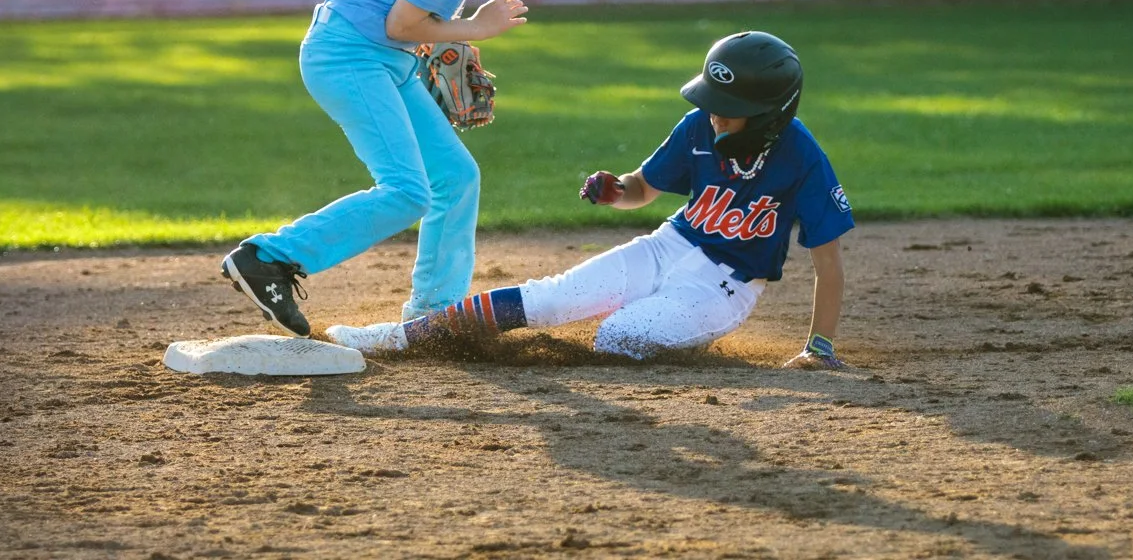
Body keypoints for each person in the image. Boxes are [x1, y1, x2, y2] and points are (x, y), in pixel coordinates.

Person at [220, 0, 575, 337]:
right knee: (408, 190)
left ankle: (434, 314)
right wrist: (474, 29)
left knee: (454, 179)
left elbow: (398, 9)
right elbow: (403, 20)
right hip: (350, 56)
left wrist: (436, 39)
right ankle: (269, 257)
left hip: (380, 55)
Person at [325, 31, 854, 369]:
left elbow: (827, 265)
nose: (714, 113)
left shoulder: (801, 157)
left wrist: (820, 348)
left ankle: (682, 330)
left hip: (726, 285)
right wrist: (614, 190)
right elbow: (643, 189)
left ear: (767, 114)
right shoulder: (698, 125)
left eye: (728, 107)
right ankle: (399, 337)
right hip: (668, 245)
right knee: (550, 298)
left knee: (620, 336)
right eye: (712, 101)